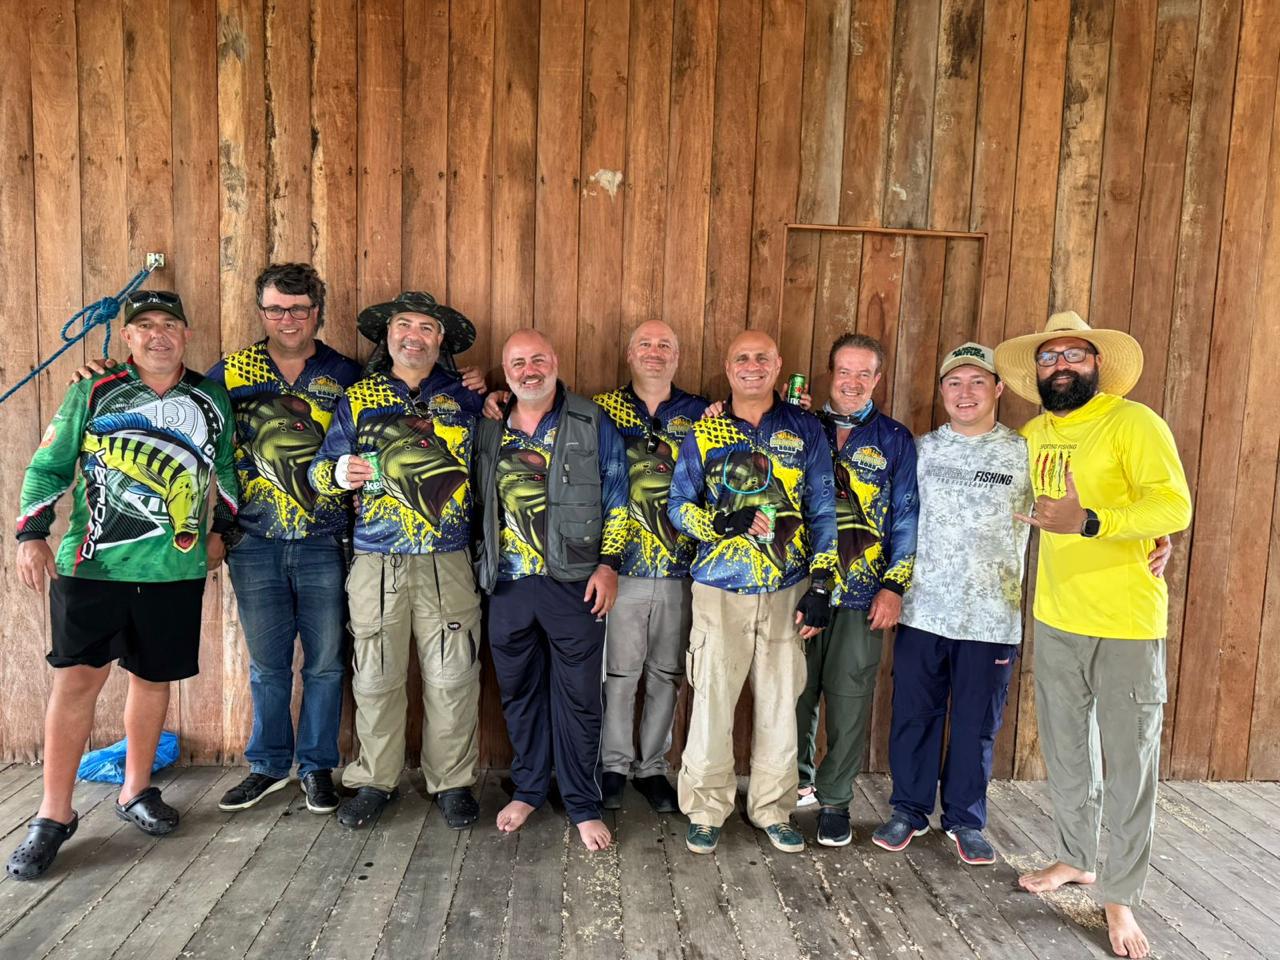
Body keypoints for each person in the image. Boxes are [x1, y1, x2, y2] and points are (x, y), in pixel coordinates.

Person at [7, 291, 238, 881]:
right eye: (145, 326)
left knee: (153, 679)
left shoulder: (210, 397)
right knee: (75, 684)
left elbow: (228, 469)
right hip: (93, 567)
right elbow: (49, 465)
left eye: (169, 324)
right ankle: (53, 814)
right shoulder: (92, 390)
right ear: (129, 337)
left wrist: (224, 532)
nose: (158, 335)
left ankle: (135, 789)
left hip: (173, 571)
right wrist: (31, 533)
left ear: (186, 334)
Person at [995, 311, 1192, 960]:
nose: (1061, 366)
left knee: (1130, 764)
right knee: (1067, 752)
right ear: (1037, 371)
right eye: (1049, 357)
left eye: (1073, 355)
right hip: (1057, 617)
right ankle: (1075, 857)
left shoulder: (1134, 423)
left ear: (1096, 364)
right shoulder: (1033, 434)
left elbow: (1175, 505)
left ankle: (1119, 896)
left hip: (1127, 624)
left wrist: (1097, 521)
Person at [310, 291, 486, 829]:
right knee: (375, 676)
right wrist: (338, 473)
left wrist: (492, 392)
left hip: (448, 559)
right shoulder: (357, 398)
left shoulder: (467, 397)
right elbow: (320, 471)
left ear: (441, 339)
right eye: (403, 325)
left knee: (454, 676)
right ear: (387, 336)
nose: (413, 335)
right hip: (376, 559)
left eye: (426, 327)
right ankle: (374, 779)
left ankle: (452, 781)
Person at [667, 330, 839, 856]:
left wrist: (822, 583)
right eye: (741, 357)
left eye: (762, 357)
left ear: (778, 364)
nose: (752, 365)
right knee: (712, 703)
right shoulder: (706, 430)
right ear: (727, 366)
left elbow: (823, 509)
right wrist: (721, 523)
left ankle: (773, 809)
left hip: (787, 588)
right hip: (719, 588)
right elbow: (678, 505)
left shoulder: (806, 429)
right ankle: (705, 809)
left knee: (781, 705)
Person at [205, 263, 361, 816]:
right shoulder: (230, 373)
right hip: (254, 541)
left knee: (326, 663)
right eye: (275, 309)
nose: (287, 319)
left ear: (317, 312)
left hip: (326, 540)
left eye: (298, 309)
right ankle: (269, 766)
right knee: (268, 665)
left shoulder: (346, 373)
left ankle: (316, 767)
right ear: (261, 312)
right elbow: (190, 429)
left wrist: (470, 380)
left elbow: (402, 400)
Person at [870, 343, 1029, 863]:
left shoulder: (1024, 453)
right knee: (914, 715)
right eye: (954, 383)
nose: (966, 393)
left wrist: (1154, 538)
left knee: (975, 726)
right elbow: (894, 519)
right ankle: (909, 810)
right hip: (923, 610)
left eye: (977, 382)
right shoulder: (921, 450)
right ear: (941, 392)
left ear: (998, 389)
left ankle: (965, 818)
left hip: (992, 617)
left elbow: (1073, 504)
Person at [471, 329, 628, 851]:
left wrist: (609, 565)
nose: (529, 370)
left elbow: (618, 495)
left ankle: (582, 803)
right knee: (519, 693)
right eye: (518, 362)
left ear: (555, 361)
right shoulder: (490, 426)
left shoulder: (590, 420)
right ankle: (529, 789)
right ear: (506, 371)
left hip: (574, 582)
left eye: (538, 359)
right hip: (508, 583)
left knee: (580, 697)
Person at [795, 333, 917, 848]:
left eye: (864, 373)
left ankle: (836, 801)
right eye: (844, 371)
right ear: (830, 373)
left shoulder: (895, 438)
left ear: (877, 379)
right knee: (794, 692)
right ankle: (793, 783)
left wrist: (894, 586)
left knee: (849, 698)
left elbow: (907, 517)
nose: (852, 382)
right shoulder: (798, 425)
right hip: (798, 585)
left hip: (863, 592)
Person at [592, 320, 709, 814]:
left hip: (684, 569)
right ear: (629, 353)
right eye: (645, 343)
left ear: (677, 357)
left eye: (665, 345)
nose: (655, 352)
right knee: (619, 674)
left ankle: (653, 767)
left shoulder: (703, 413)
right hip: (621, 567)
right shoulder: (600, 409)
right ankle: (614, 766)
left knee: (666, 673)